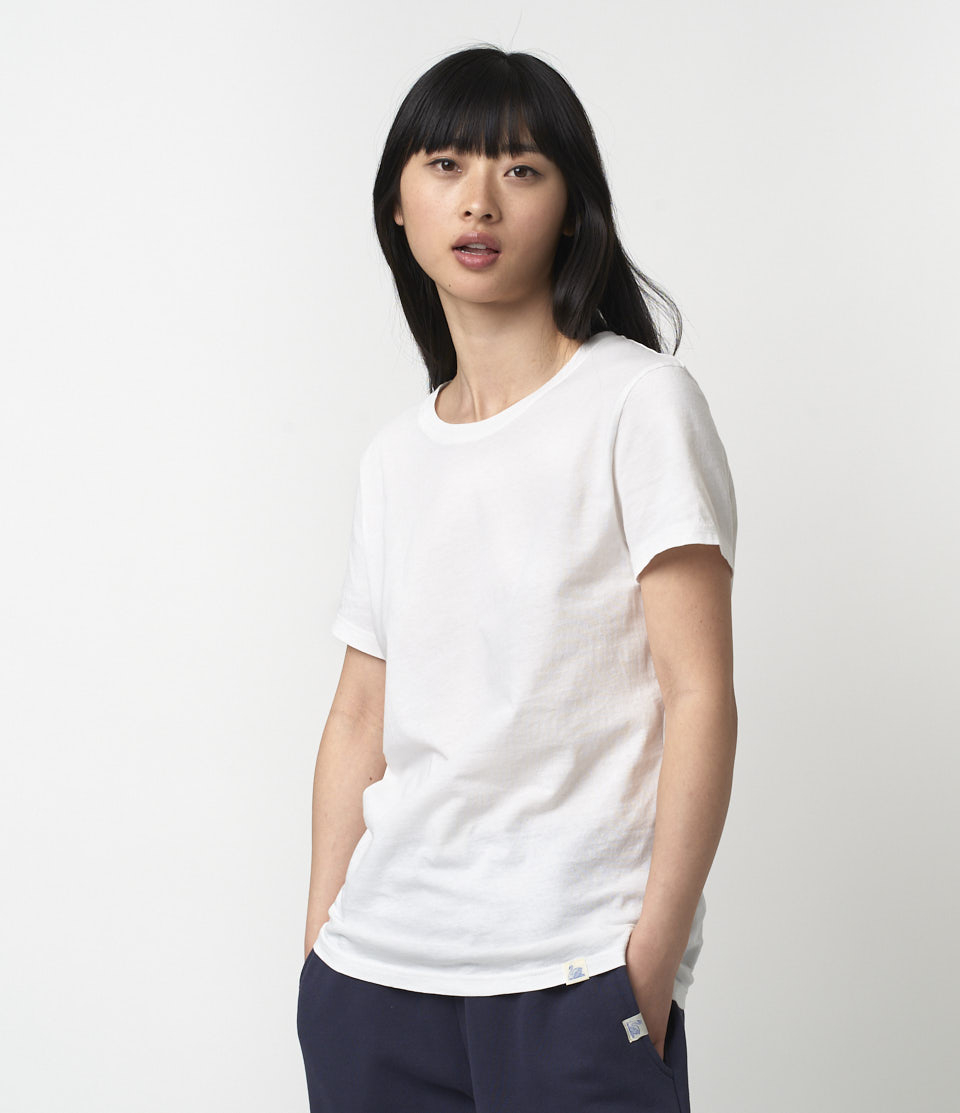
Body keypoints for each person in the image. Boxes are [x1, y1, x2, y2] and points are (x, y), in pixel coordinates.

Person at [297, 43, 738, 1113]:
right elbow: (359, 714)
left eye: (522, 169)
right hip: (375, 978)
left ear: (572, 209)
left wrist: (649, 964)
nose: (480, 200)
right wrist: (319, 950)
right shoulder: (397, 457)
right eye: (446, 165)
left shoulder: (639, 404)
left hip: (576, 973)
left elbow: (700, 694)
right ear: (398, 205)